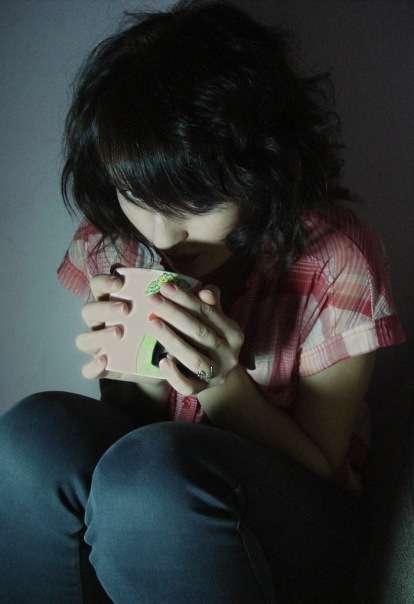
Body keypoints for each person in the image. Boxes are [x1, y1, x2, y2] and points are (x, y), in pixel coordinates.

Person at [0, 1, 405, 602]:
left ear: (258, 174)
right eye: (137, 194)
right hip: (152, 486)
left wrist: (220, 382)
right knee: (33, 438)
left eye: (194, 201)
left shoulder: (333, 257)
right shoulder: (116, 240)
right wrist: (138, 364)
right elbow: (132, 428)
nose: (162, 234)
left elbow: (321, 464)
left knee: (153, 479)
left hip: (300, 513)